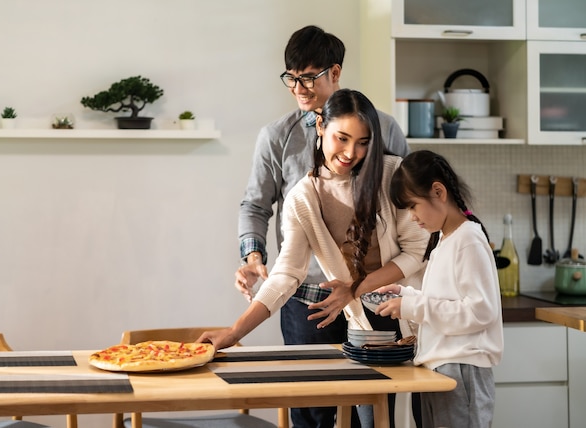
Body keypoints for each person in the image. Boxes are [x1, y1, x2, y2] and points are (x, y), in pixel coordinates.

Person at [202, 88, 428, 428]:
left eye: (363, 142)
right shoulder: (302, 198)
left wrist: (354, 287)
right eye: (342, 138)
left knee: (412, 419)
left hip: (411, 319)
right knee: (368, 421)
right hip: (364, 329)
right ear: (320, 126)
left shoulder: (391, 175)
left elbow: (417, 252)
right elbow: (285, 275)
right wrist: (234, 333)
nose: (352, 152)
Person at [234, 25, 413, 428]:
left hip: (377, 295)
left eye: (309, 77)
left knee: (375, 408)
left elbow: (413, 211)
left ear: (335, 72)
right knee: (312, 408)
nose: (299, 87)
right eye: (292, 78)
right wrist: (253, 255)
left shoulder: (384, 130)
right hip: (305, 298)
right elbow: (255, 204)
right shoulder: (276, 137)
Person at [375, 150, 504, 428]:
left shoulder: (467, 238)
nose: (411, 217)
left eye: (413, 206)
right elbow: (444, 301)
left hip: (461, 368)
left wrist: (412, 307)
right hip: (443, 367)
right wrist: (405, 295)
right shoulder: (445, 240)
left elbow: (480, 310)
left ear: (438, 192)